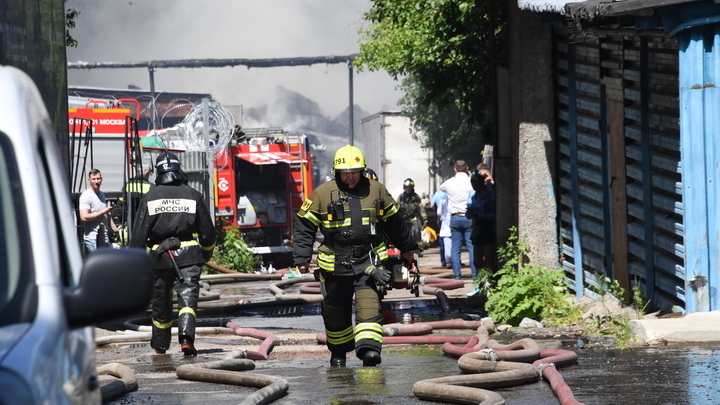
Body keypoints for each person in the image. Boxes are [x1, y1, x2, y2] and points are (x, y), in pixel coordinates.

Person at [293, 145, 419, 368]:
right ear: (336, 172)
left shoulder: (377, 191)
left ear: (362, 170)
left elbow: (395, 223)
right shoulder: (322, 194)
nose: (350, 177)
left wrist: (407, 249)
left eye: (355, 172)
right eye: (345, 172)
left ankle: (369, 351)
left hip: (369, 262)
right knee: (335, 311)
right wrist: (302, 258)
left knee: (369, 306)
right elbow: (304, 225)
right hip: (334, 265)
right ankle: (338, 354)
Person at [129, 151, 217, 357]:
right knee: (187, 297)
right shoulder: (193, 194)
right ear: (179, 170)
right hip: (189, 257)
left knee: (161, 302)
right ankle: (186, 339)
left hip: (159, 259)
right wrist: (206, 252)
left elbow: (139, 236)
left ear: (157, 172)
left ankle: (160, 345)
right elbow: (208, 232)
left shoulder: (149, 197)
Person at [439, 160, 476, 280]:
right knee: (471, 247)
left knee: (455, 248)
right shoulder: (471, 181)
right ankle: (475, 275)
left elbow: (442, 187)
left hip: (454, 217)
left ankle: (457, 276)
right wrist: (470, 176)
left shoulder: (450, 183)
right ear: (467, 168)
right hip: (469, 216)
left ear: (455, 169)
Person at [78, 168, 117, 255]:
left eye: (98, 179)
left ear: (101, 179)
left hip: (104, 237)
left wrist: (116, 230)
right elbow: (84, 217)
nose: (96, 181)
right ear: (89, 180)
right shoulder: (86, 196)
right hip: (92, 239)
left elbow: (107, 215)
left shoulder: (101, 194)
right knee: (102, 265)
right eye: (93, 179)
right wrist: (102, 212)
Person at [467, 170, 497, 274]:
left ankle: (491, 283)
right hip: (478, 229)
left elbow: (496, 214)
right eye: (472, 184)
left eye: (476, 184)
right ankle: (481, 282)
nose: (474, 187)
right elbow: (468, 213)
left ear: (481, 183)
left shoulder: (490, 195)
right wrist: (471, 213)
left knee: (488, 260)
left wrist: (483, 216)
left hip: (489, 228)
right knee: (477, 261)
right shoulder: (473, 196)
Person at [397, 178, 427, 252]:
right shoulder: (401, 197)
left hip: (414, 218)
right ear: (404, 187)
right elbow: (396, 208)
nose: (408, 189)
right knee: (405, 235)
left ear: (412, 187)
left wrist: (424, 218)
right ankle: (406, 249)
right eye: (406, 187)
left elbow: (421, 208)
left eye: (409, 187)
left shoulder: (415, 197)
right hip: (404, 219)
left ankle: (419, 249)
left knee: (416, 233)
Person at [429, 189, 449, 268]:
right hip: (451, 220)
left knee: (442, 241)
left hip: (441, 221)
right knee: (455, 243)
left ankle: (443, 261)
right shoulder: (449, 194)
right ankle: (455, 261)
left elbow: (431, 206)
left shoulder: (437, 194)